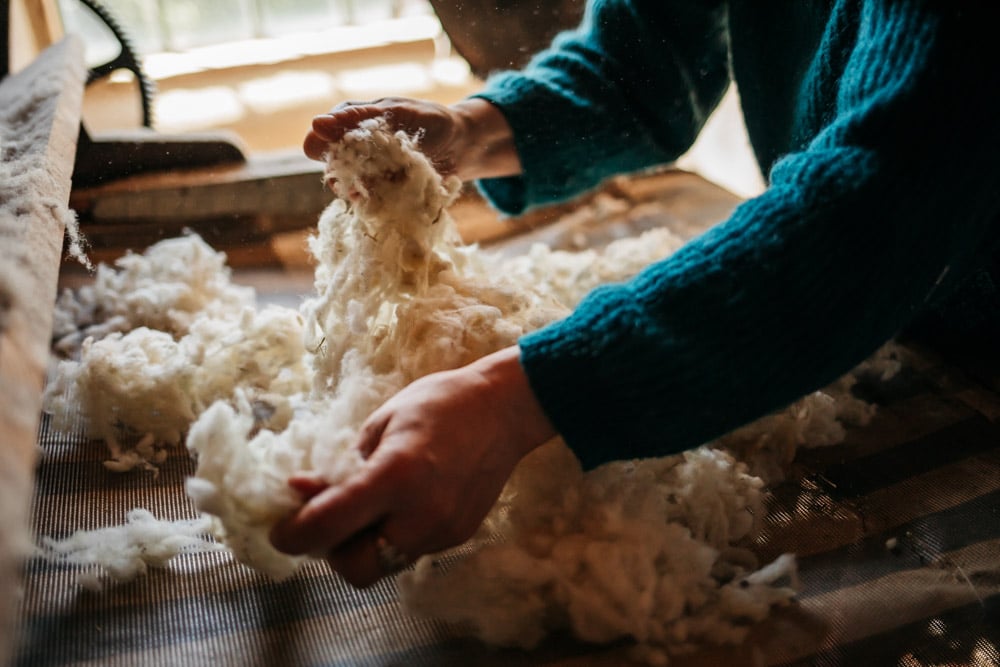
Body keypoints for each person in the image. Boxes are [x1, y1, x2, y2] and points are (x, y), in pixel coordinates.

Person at [270, 0, 1000, 587]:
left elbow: (881, 200)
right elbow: (644, 60)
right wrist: (474, 132)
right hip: (890, 324)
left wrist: (519, 399)